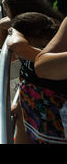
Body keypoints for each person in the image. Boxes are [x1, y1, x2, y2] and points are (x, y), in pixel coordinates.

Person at [6, 12, 67, 144]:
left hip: (53, 130)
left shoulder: (38, 56)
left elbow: (17, 45)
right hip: (34, 121)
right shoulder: (34, 58)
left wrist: (12, 31)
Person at [0, 0, 64, 49]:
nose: (7, 15)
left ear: (17, 10)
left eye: (7, 11)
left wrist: (0, 47)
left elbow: (2, 23)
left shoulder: (38, 24)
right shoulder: (49, 17)